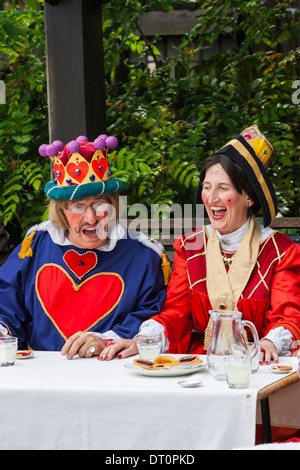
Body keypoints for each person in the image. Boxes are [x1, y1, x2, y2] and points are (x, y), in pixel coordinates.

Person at [99, 125, 300, 363]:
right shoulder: (190, 246)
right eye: (207, 187)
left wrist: (269, 342)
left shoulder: (280, 251)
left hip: (258, 363)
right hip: (201, 363)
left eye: (223, 188)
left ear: (248, 197)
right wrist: (143, 340)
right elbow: (176, 313)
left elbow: (288, 316)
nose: (211, 197)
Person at [0, 134, 167, 358]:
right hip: (43, 375)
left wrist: (108, 339)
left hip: (115, 374)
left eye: (99, 204)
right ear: (62, 211)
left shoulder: (145, 256)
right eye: (78, 206)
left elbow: (153, 319)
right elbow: (7, 307)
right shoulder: (35, 246)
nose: (91, 218)